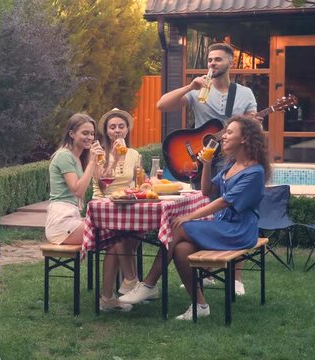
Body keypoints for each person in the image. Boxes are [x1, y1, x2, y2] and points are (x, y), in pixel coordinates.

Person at [118, 116, 271, 320]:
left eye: (229, 132)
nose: (223, 136)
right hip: (222, 226)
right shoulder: (231, 165)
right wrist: (206, 164)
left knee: (178, 226)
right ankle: (200, 305)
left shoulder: (254, 172)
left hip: (239, 231)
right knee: (181, 249)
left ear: (245, 139)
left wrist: (189, 216)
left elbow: (223, 202)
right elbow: (207, 190)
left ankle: (148, 284)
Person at [157, 42, 259, 295]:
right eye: (210, 60)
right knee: (202, 206)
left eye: (218, 60)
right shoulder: (200, 88)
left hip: (231, 157)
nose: (212, 64)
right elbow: (162, 105)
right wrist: (190, 86)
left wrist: (250, 126)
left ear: (230, 63)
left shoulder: (244, 94)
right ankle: (203, 271)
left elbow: (253, 128)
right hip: (202, 156)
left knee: (233, 210)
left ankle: (236, 279)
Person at [45, 113, 131, 312]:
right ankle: (125, 286)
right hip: (61, 223)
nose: (90, 138)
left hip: (71, 218)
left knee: (117, 236)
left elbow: (103, 182)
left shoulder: (78, 156)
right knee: (117, 235)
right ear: (72, 133)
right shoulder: (65, 155)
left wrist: (111, 158)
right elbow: (77, 189)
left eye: (92, 134)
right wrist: (92, 162)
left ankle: (112, 294)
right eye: (85, 133)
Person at [91, 108, 140, 298]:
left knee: (132, 233)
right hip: (103, 207)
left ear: (127, 130)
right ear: (106, 131)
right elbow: (102, 186)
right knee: (118, 236)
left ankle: (115, 292)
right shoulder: (98, 152)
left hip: (125, 205)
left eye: (121, 126)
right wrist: (114, 159)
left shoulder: (134, 154)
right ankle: (130, 281)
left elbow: (137, 182)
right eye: (112, 127)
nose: (117, 130)